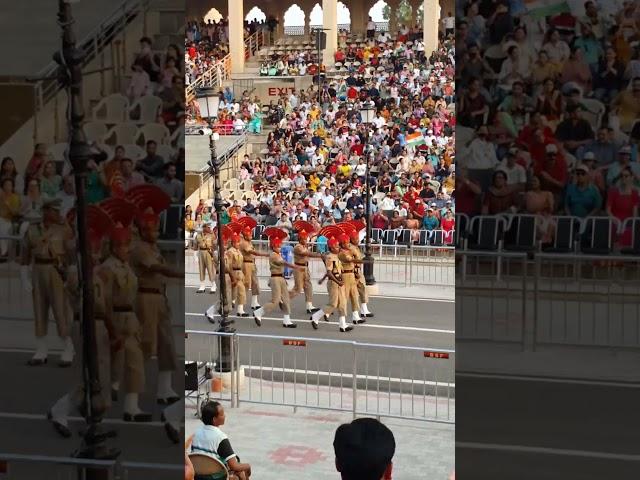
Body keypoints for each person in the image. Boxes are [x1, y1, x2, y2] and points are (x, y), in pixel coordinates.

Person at [48, 205, 115, 437]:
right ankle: (60, 410)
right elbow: (86, 298)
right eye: (93, 248)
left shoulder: (97, 272)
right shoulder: (78, 272)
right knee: (86, 374)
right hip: (86, 323)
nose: (97, 252)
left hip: (98, 324)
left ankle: (94, 420)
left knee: (100, 374)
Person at [129, 186, 182, 405]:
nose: (156, 233)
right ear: (143, 229)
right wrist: (178, 273)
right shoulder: (139, 248)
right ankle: (132, 395)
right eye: (152, 229)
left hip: (160, 297)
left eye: (157, 229)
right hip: (146, 297)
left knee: (166, 344)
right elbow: (157, 269)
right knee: (145, 346)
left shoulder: (153, 247)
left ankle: (164, 389)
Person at [101, 205, 151, 421]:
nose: (127, 249)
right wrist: (111, 329)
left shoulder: (126, 266)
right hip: (112, 318)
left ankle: (131, 407)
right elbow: (104, 301)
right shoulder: (107, 269)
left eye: (128, 244)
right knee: (103, 368)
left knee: (134, 363)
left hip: (129, 319)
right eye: (123, 245)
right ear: (113, 248)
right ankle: (77, 410)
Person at [21, 198, 74, 366]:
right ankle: (41, 349)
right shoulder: (32, 229)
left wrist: (70, 276)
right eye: (54, 210)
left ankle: (67, 348)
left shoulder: (63, 230)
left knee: (60, 311)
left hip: (55, 271)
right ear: (46, 211)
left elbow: (71, 255)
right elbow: (25, 253)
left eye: (58, 211)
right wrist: (24, 276)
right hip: (38, 270)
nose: (58, 214)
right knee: (39, 310)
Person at [190, 401, 252, 480]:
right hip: (215, 476)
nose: (225, 416)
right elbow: (234, 465)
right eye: (222, 414)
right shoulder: (220, 437)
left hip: (198, 475)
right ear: (214, 419)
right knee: (241, 472)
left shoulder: (196, 433)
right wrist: (248, 466)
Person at [253, 229, 301, 328]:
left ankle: (287, 320)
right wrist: (294, 266)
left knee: (286, 299)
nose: (280, 247)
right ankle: (259, 312)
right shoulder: (274, 255)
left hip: (281, 278)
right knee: (275, 300)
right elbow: (282, 263)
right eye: (279, 246)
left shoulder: (277, 254)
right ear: (274, 246)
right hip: (275, 279)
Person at [311, 232, 352, 333]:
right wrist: (338, 281)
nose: (338, 247)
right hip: (334, 283)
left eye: (338, 245)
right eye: (336, 246)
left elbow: (334, 271)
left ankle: (343, 325)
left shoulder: (337, 256)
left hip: (339, 281)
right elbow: (329, 273)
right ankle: (315, 317)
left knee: (342, 303)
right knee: (333, 304)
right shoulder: (329, 257)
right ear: (331, 247)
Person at [288, 223, 322, 314]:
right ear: (300, 239)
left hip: (305, 268)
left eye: (306, 238)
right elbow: (306, 254)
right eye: (304, 239)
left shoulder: (304, 246)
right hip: (299, 268)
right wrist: (318, 255)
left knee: (308, 286)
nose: (306, 240)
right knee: (298, 288)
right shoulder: (298, 247)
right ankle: (284, 298)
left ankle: (309, 305)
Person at [238, 224, 268, 311]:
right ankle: (240, 307)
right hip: (246, 264)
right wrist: (265, 254)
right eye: (249, 234)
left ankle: (254, 302)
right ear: (245, 234)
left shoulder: (249, 242)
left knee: (255, 283)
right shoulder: (243, 243)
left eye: (251, 233)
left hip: (252, 264)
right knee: (246, 285)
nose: (251, 235)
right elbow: (252, 252)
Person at [348, 227, 374, 318]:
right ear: (351, 239)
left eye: (358, 238)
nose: (358, 240)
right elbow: (352, 261)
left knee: (363, 289)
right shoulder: (350, 248)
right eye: (356, 239)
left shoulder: (356, 247)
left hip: (358, 271)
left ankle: (364, 310)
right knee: (348, 294)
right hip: (353, 272)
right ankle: (327, 310)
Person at [226, 233, 248, 317]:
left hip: (239, 273)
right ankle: (222, 309)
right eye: (237, 242)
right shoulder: (230, 252)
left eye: (239, 242)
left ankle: (240, 310)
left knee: (241, 291)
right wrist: (232, 278)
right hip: (233, 273)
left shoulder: (238, 251)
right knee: (230, 294)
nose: (239, 243)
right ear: (233, 243)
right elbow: (229, 265)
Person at [195, 224, 217, 294]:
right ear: (204, 228)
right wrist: (195, 255)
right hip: (201, 252)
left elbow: (215, 245)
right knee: (201, 269)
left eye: (209, 227)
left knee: (210, 269)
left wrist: (214, 253)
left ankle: (213, 285)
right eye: (208, 227)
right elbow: (195, 246)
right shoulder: (198, 235)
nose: (209, 228)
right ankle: (202, 285)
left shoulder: (212, 235)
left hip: (208, 252)